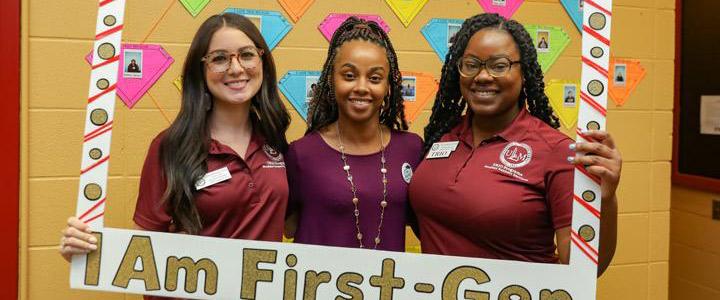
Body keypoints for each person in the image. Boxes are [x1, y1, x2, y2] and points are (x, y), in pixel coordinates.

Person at [59, 13, 291, 299]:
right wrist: (88, 257)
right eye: (219, 58)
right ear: (201, 71)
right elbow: (145, 246)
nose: (236, 68)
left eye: (246, 55)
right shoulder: (170, 147)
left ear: (262, 62)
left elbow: (298, 222)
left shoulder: (276, 140)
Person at [410, 13, 620, 275]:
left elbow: (586, 270)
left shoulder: (556, 152)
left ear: (525, 74)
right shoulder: (443, 137)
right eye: (471, 64)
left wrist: (606, 202)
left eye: (499, 65)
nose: (483, 76)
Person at [284, 17, 423, 251]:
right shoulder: (301, 154)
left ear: (389, 85)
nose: (361, 86)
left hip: (386, 283)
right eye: (349, 75)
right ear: (331, 79)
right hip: (319, 285)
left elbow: (426, 222)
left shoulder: (411, 148)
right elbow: (289, 226)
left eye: (375, 78)